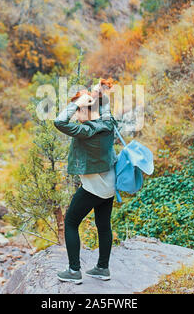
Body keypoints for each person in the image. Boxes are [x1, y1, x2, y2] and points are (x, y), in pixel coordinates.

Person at [54, 78, 117, 284]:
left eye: (79, 112)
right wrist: (99, 94)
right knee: (103, 225)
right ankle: (102, 268)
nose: (76, 116)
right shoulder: (107, 122)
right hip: (109, 185)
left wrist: (77, 103)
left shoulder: (85, 131)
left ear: (84, 111)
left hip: (93, 188)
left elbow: (59, 122)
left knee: (71, 222)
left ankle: (74, 271)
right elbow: (104, 105)